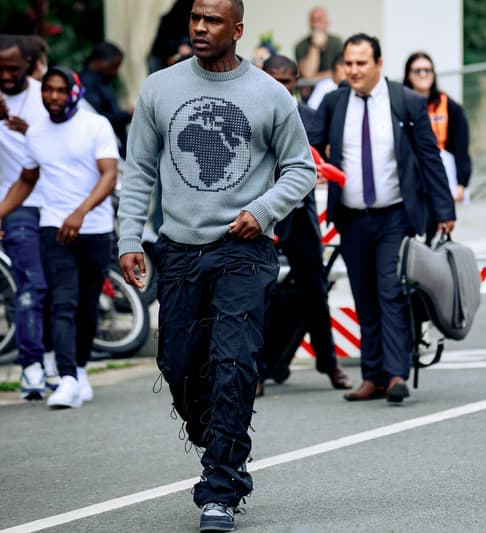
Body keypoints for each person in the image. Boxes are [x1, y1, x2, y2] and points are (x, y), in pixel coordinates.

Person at [117, 0, 315, 530]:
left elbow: (301, 169)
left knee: (234, 364)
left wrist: (262, 211)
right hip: (178, 249)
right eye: (195, 18)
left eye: (212, 21)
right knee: (177, 364)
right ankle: (224, 438)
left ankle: (220, 486)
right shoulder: (161, 88)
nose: (200, 28)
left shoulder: (270, 95)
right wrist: (128, 237)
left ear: (238, 29)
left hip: (243, 249)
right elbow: (138, 169)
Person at [309, 33, 455, 403]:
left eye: (361, 63)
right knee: (364, 295)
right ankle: (372, 375)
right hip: (352, 218)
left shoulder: (405, 103)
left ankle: (396, 374)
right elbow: (310, 143)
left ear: (378, 64)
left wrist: (444, 211)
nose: (354, 71)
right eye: (349, 63)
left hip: (395, 215)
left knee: (391, 292)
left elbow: (429, 159)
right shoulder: (334, 102)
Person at [0, 65, 119, 407]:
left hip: (95, 229)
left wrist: (81, 212)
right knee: (62, 302)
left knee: (86, 305)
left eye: (60, 90)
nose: (53, 97)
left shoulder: (95, 126)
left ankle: (79, 370)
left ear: (74, 92)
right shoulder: (36, 133)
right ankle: (66, 378)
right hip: (54, 228)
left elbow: (108, 175)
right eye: (47, 90)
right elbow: (26, 179)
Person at [261, 53, 351, 390]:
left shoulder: (311, 119)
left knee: (315, 290)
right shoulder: (251, 116)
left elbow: (326, 162)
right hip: (263, 216)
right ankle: (257, 369)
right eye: (273, 80)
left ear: (297, 82)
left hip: (299, 216)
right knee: (260, 292)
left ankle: (329, 365)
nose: (280, 88)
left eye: (286, 81)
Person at [0, 33, 49, 400]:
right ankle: (32, 367)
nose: (5, 75)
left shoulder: (47, 94)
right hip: (16, 205)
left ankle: (61, 363)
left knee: (62, 289)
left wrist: (25, 128)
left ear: (28, 65)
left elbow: (72, 140)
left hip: (59, 203)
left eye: (12, 68)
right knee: (30, 285)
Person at [403, 51, 471, 207]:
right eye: (417, 71)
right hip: (410, 174)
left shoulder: (449, 106)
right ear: (408, 75)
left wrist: (461, 182)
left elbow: (461, 147)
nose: (423, 74)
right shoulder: (399, 104)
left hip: (440, 172)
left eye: (427, 70)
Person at [79, 41, 132, 155]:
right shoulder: (87, 84)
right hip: (104, 148)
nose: (116, 71)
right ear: (99, 62)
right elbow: (97, 118)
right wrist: (127, 114)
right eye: (114, 66)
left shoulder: (103, 80)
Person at [295, 7, 343, 82]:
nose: (315, 25)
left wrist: (314, 77)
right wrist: (315, 46)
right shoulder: (301, 45)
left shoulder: (337, 42)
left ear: (327, 23)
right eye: (312, 20)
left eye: (319, 20)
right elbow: (307, 74)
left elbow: (340, 72)